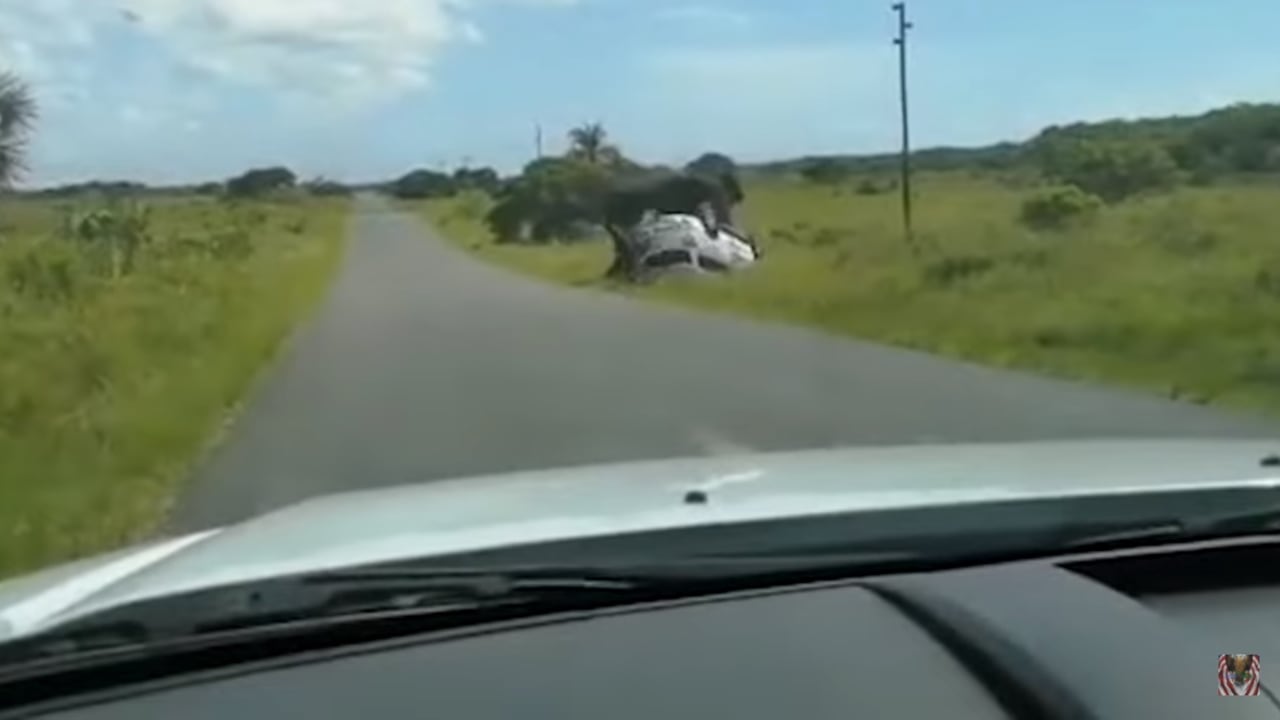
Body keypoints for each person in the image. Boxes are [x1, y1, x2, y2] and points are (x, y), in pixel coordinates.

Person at [601, 171, 746, 280]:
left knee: (628, 242)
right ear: (730, 194)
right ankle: (628, 272)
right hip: (634, 200)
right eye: (731, 204)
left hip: (625, 197)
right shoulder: (716, 190)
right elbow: (723, 225)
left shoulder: (700, 185)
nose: (729, 207)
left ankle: (623, 272)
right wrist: (746, 242)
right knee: (629, 241)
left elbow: (704, 221)